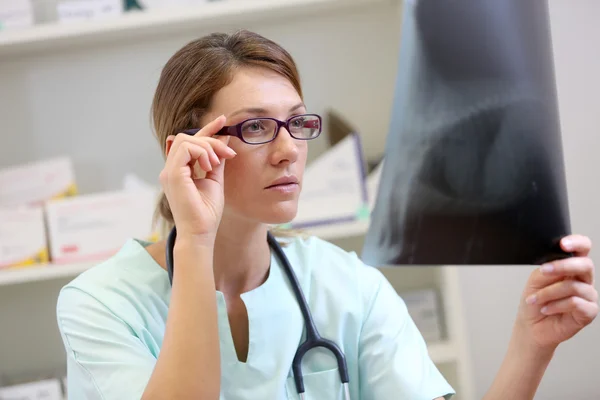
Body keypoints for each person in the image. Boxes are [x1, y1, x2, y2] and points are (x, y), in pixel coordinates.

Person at [56, 30, 598, 400]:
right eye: (256, 127)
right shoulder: (102, 305)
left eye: (297, 122)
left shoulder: (347, 286)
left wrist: (532, 345)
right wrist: (196, 240)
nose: (289, 148)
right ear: (187, 151)